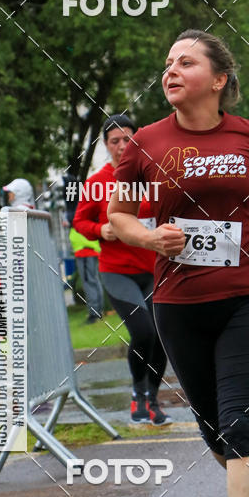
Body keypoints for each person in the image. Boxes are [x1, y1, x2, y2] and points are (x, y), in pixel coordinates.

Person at [107, 29, 249, 497]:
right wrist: (149, 236)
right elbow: (116, 216)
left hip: (248, 295)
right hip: (178, 303)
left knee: (241, 422)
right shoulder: (145, 142)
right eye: (167, 62)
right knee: (215, 429)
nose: (171, 70)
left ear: (217, 80)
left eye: (185, 62)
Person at [73, 114, 172, 426]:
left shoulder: (152, 176)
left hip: (154, 268)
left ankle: (153, 399)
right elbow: (80, 221)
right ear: (106, 145)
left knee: (162, 336)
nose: (121, 145)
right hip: (117, 271)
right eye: (114, 141)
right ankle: (137, 392)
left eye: (127, 139)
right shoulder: (97, 182)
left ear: (136, 141)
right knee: (143, 331)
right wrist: (101, 229)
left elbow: (169, 211)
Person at [68, 227, 104, 323]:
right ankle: (98, 312)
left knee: (89, 283)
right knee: (94, 281)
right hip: (90, 249)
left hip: (84, 250)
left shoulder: (77, 215)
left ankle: (94, 314)